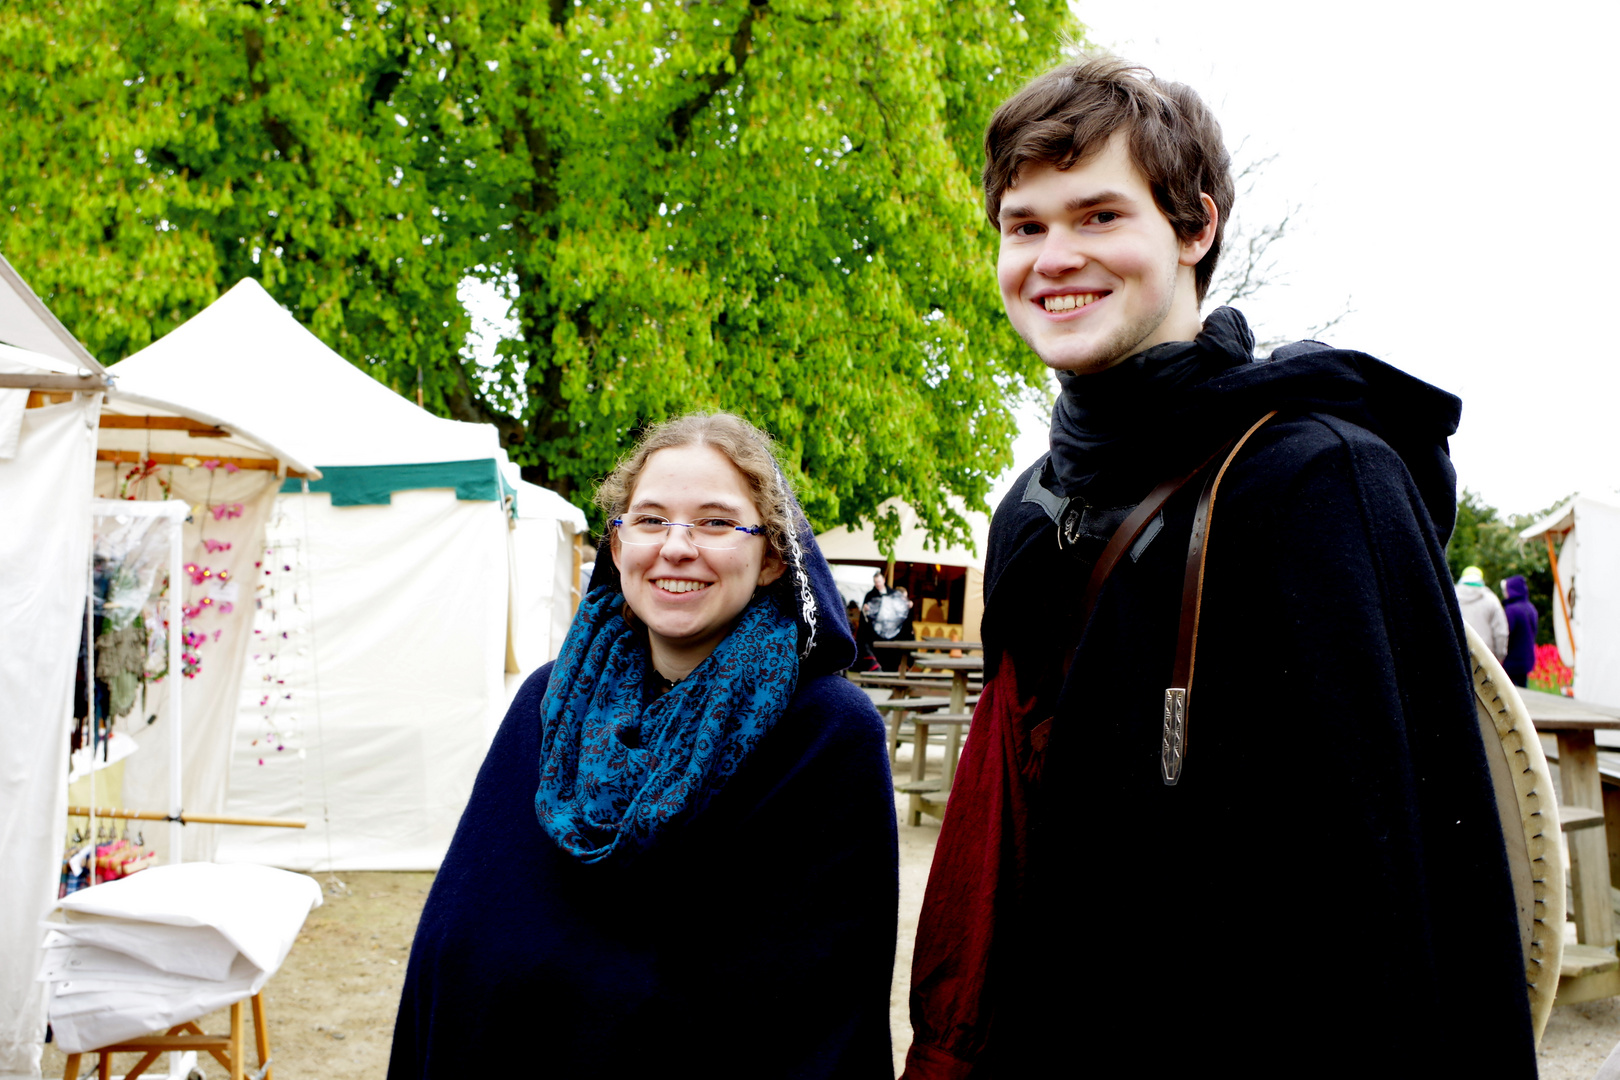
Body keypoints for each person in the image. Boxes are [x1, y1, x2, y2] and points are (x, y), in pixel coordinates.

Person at [903, 56, 1535, 1076]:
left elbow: (1401, 904)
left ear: (1195, 229)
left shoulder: (1319, 481)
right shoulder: (1029, 506)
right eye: (1026, 226)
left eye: (1100, 216)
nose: (1054, 256)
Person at [390, 413, 898, 1079]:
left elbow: (810, 1011)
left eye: (716, 523)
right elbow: (457, 943)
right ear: (618, 543)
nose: (677, 547)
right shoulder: (549, 704)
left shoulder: (826, 732)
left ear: (774, 556)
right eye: (651, 519)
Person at [1456, 564, 1510, 660]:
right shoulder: (1491, 599)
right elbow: (1501, 632)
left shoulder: (1450, 598)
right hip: (1484, 658)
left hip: (1457, 655)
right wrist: (1499, 656)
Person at [863, 570, 908, 671]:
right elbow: (865, 616)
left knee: (890, 657)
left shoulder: (893, 594)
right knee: (876, 657)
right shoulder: (870, 595)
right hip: (875, 633)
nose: (877, 584)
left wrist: (908, 605)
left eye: (879, 581)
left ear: (883, 580)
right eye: (876, 582)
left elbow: (900, 609)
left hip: (891, 633)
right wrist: (865, 609)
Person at [1502, 574, 1540, 686]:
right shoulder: (1531, 608)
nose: (1505, 593)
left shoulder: (1511, 610)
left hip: (1512, 661)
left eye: (1506, 589)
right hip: (1526, 660)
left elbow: (1506, 634)